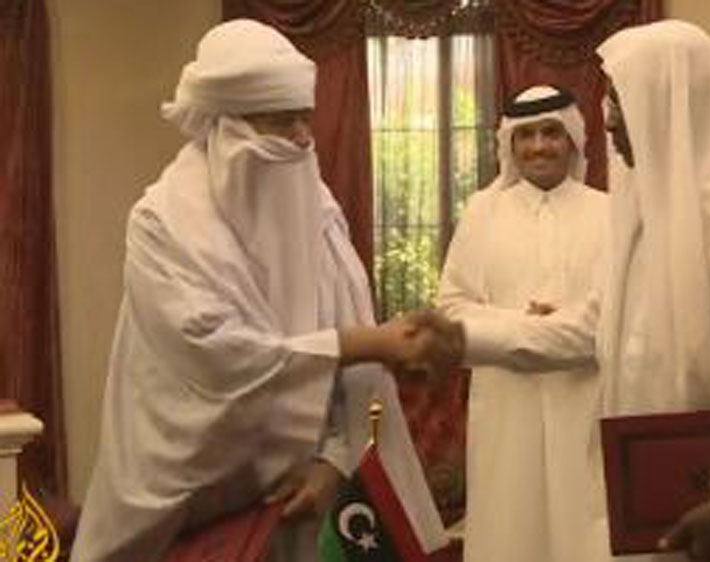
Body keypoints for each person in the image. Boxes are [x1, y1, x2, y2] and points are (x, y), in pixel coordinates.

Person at [453, 20, 710, 562]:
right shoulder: (650, 207)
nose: (609, 121)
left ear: (672, 102)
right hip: (664, 503)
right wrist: (456, 340)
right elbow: (591, 328)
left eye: (621, 101)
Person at [71, 20, 447, 562]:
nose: (302, 138)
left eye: (304, 117)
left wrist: (333, 459)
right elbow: (218, 359)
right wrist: (369, 343)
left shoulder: (316, 207)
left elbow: (349, 350)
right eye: (280, 121)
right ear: (227, 125)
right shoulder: (163, 223)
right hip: (188, 508)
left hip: (307, 493)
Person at [436, 85, 609, 562]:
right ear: (509, 145)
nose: (539, 146)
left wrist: (567, 324)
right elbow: (450, 309)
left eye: (551, 133)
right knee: (511, 528)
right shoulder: (482, 212)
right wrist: (522, 324)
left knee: (585, 528)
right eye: (526, 135)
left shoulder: (608, 211)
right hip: (506, 400)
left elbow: (624, 309)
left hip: (585, 400)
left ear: (572, 139)